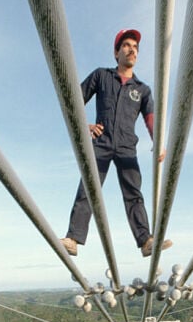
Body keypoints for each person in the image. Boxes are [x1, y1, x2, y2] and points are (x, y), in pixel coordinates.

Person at [60, 28, 173, 258]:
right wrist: (84, 126)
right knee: (89, 188)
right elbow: (73, 99)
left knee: (133, 192)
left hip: (126, 146)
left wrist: (158, 142)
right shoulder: (101, 76)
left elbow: (151, 119)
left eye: (135, 48)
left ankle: (145, 241)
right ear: (116, 52)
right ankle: (72, 239)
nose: (131, 50)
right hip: (101, 141)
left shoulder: (142, 90)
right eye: (126, 46)